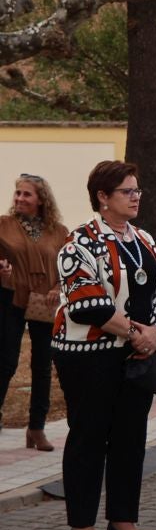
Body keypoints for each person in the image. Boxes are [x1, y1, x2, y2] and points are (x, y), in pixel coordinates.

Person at [51, 160, 156, 530]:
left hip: (135, 355)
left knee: (130, 437)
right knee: (89, 436)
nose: (136, 196)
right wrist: (136, 333)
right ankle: (82, 523)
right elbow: (85, 302)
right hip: (87, 355)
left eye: (137, 190)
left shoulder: (144, 240)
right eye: (127, 191)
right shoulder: (79, 244)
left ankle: (123, 517)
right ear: (103, 198)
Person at [0, 173, 68, 452]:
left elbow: (68, 266)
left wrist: (56, 286)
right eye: (17, 194)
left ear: (41, 200)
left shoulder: (60, 232)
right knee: (5, 363)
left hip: (45, 304)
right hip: (10, 298)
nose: (20, 199)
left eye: (26, 194)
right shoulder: (3, 225)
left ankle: (36, 429)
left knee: (42, 366)